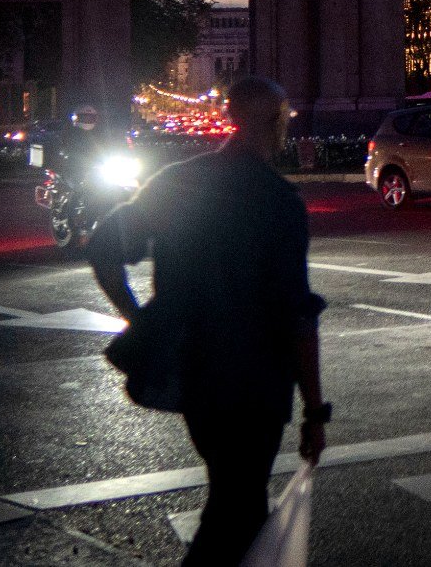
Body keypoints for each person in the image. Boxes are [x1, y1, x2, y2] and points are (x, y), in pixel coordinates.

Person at [88, 77, 328, 565]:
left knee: (236, 502)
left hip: (196, 371)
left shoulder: (178, 180)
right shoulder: (279, 201)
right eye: (284, 118)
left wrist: (137, 317)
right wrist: (314, 410)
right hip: (256, 381)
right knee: (233, 512)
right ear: (274, 121)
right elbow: (297, 314)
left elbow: (103, 247)